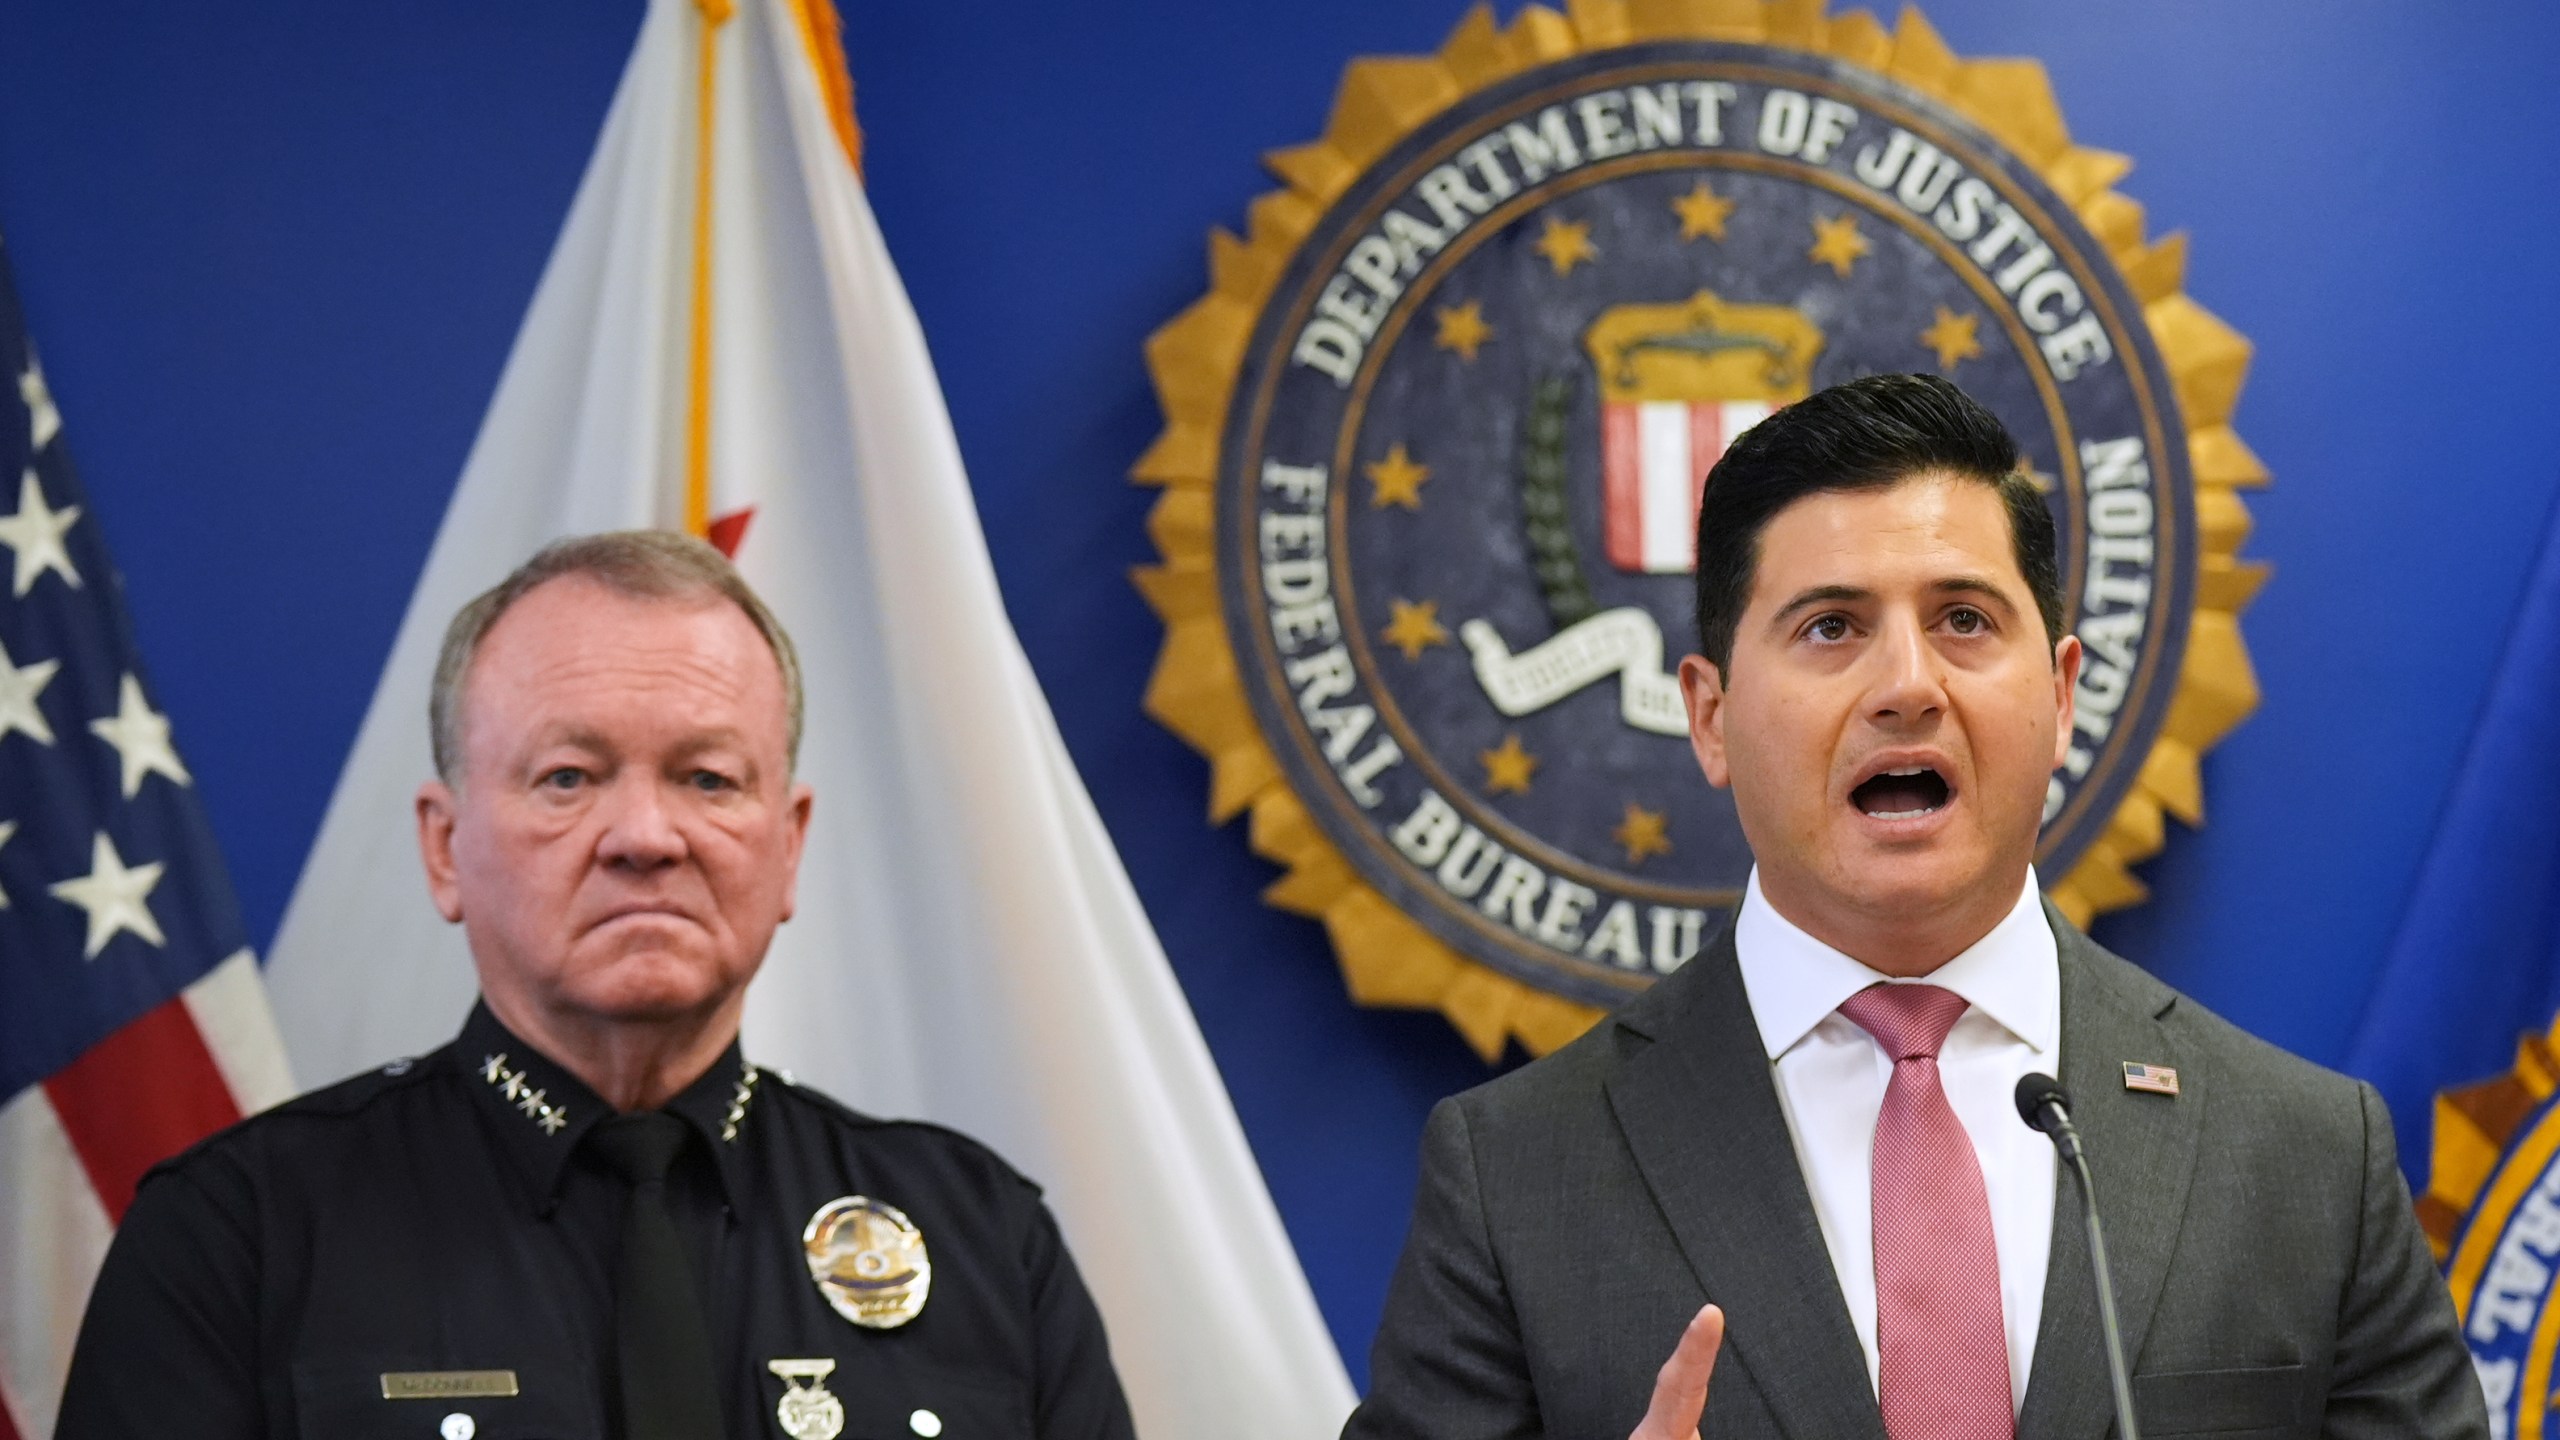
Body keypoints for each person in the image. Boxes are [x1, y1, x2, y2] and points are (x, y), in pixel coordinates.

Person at [1343, 374, 2485, 1440]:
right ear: (1710, 716)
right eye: (1830, 627)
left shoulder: (2306, 1158)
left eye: (1964, 620)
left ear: (2061, 695)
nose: (1905, 686)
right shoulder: (1515, 1179)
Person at [57, 532, 1136, 1440]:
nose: (645, 836)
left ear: (789, 846)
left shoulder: (983, 1241)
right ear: (444, 848)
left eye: (708, 778)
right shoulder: (240, 1240)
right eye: (568, 777)